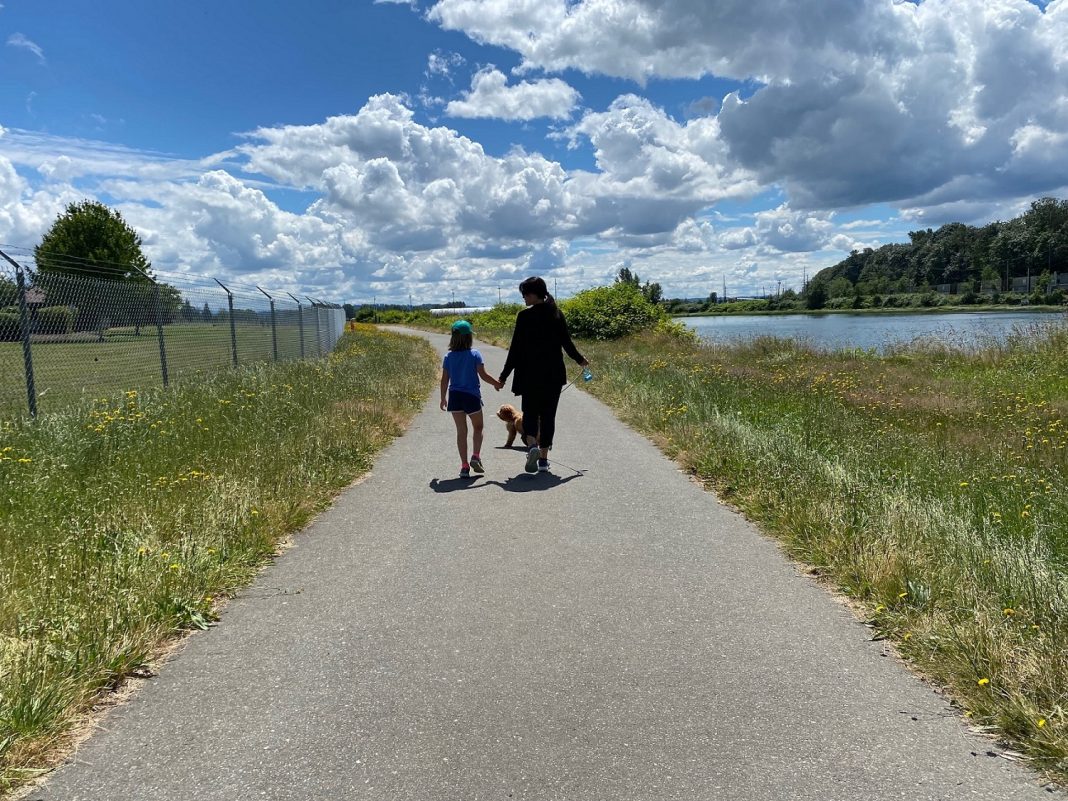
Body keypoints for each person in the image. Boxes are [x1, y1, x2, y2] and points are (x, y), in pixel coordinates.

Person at [498, 276, 589, 474]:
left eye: (525, 295)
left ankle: (531, 447)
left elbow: (515, 350)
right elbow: (567, 343)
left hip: (528, 375)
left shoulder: (524, 317)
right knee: (548, 417)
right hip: (553, 375)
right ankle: (543, 461)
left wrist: (503, 376)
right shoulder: (556, 314)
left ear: (533, 294)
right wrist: (580, 360)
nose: (523, 299)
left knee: (530, 413)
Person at [440, 319, 502, 478]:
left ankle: (464, 466)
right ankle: (475, 456)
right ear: (469, 337)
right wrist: (496, 383)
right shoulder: (475, 354)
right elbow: (483, 375)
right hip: (471, 397)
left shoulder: (448, 356)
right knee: (478, 427)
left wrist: (442, 398)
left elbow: (444, 379)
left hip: (454, 397)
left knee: (461, 431)